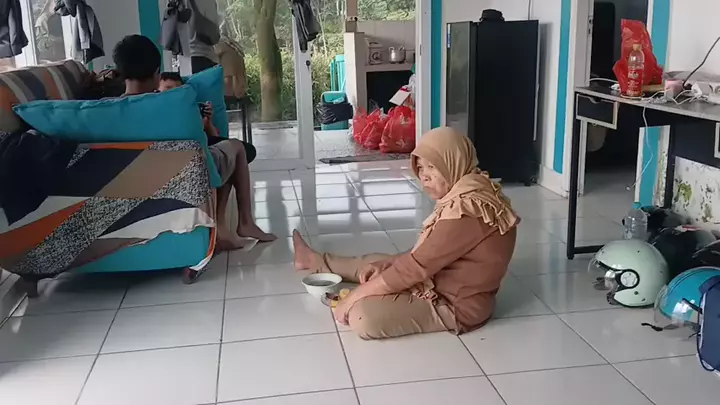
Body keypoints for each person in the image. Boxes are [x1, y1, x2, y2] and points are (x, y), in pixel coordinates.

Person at [293, 127, 520, 340]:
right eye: (421, 167)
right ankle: (314, 261)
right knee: (378, 263)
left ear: (454, 161)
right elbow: (428, 254)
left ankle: (332, 272)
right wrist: (390, 264)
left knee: (363, 315)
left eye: (432, 167)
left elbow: (415, 268)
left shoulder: (467, 210)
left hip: (453, 304)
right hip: (439, 277)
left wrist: (353, 297)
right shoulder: (470, 188)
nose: (424, 176)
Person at [112, 34, 276, 249]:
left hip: (128, 183)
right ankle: (243, 223)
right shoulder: (172, 107)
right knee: (235, 148)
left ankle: (225, 228)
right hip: (182, 178)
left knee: (224, 150)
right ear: (156, 72)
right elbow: (200, 149)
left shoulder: (107, 110)